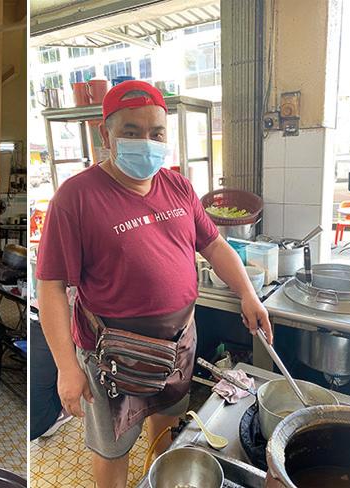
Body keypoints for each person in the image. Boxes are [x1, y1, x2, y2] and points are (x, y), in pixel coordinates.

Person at [35, 80, 273, 488]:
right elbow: (51, 286)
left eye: (156, 133)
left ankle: (154, 479)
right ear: (104, 133)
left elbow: (214, 244)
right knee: (112, 449)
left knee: (165, 431)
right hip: (112, 354)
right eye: (131, 131)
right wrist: (65, 367)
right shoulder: (75, 198)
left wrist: (248, 294)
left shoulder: (178, 186)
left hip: (178, 344)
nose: (146, 142)